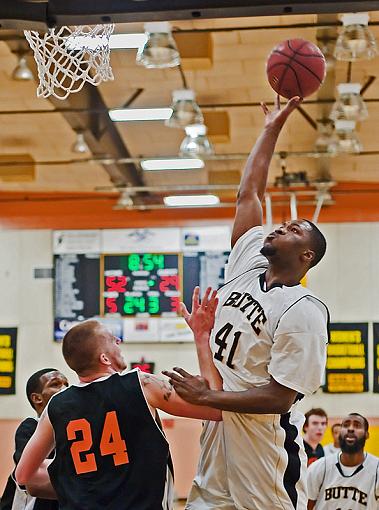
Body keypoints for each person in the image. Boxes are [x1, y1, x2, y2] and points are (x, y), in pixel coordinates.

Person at [163, 95, 330, 510]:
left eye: (292, 229)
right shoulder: (246, 262)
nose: (278, 227)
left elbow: (279, 397)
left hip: (264, 439)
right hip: (221, 427)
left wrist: (206, 399)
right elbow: (248, 193)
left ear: (305, 256)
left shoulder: (303, 310)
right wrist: (270, 130)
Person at [15, 317, 222, 510]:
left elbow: (24, 476)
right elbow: (215, 409)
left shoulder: (56, 405)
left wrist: (77, 479)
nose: (119, 341)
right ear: (104, 358)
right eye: (113, 341)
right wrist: (202, 337)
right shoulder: (142, 384)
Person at [0, 368, 68, 510]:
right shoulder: (30, 427)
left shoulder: (71, 428)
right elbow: (32, 476)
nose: (64, 389)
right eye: (55, 384)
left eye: (66, 385)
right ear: (37, 398)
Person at [307, 413, 379, 509]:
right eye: (345, 425)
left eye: (357, 425)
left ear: (367, 434)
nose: (350, 429)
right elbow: (306, 506)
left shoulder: (376, 469)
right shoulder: (319, 468)